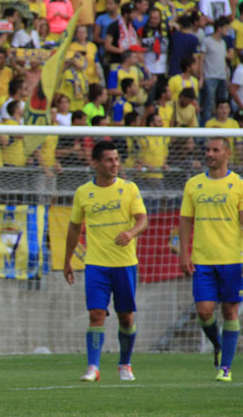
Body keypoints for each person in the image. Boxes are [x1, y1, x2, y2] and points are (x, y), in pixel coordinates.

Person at [64, 140, 148, 383]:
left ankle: (125, 364)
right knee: (96, 314)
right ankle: (93, 367)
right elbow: (73, 227)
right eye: (110, 160)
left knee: (126, 317)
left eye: (117, 160)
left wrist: (131, 233)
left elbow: (143, 220)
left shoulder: (129, 188)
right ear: (96, 163)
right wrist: (67, 260)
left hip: (125, 263)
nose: (115, 164)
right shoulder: (83, 193)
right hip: (96, 264)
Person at [179, 137, 243, 382]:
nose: (210, 154)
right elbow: (185, 221)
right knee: (204, 311)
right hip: (203, 260)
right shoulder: (193, 184)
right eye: (207, 150)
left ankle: (226, 368)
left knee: (230, 311)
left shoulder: (241, 186)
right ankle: (218, 345)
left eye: (215, 150)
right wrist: (184, 253)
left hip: (232, 258)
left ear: (227, 154)